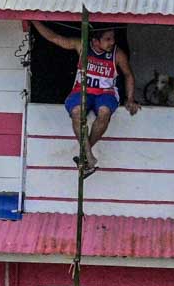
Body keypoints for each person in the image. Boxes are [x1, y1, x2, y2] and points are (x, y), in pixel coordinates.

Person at [31, 20, 138, 176]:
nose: (112, 42)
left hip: (105, 93)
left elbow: (128, 74)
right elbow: (54, 38)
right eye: (107, 39)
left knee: (104, 112)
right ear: (95, 40)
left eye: (113, 38)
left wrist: (130, 98)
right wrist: (34, 21)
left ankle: (85, 155)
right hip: (82, 91)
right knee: (76, 112)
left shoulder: (117, 53)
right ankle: (89, 157)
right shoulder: (82, 46)